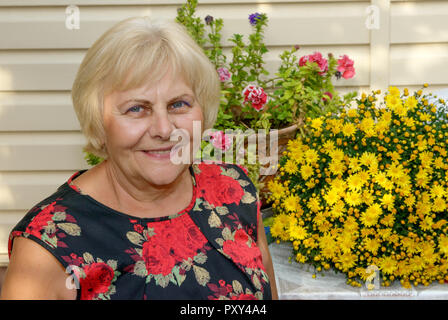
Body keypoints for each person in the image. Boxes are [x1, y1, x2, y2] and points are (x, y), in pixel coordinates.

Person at [0, 16, 278, 300]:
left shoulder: (234, 190)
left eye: (178, 104)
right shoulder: (46, 249)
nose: (164, 129)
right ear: (98, 120)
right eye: (136, 109)